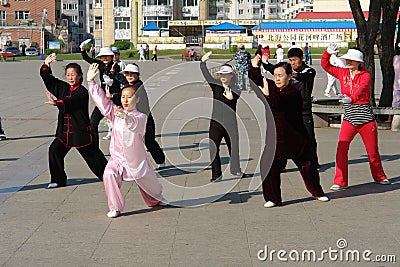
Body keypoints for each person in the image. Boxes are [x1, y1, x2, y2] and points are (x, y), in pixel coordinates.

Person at [86, 63, 166, 218]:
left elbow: (136, 126)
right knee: (109, 173)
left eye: (129, 97)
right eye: (123, 97)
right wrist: (92, 83)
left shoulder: (141, 117)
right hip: (118, 159)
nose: (125, 100)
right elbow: (103, 103)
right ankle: (115, 207)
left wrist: (128, 118)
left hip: (137, 161)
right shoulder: (116, 114)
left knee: (152, 187)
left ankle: (157, 199)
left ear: (137, 99)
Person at [249, 55, 329, 207]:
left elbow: (277, 103)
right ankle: (273, 198)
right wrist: (254, 66)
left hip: (296, 139)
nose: (277, 78)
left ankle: (317, 192)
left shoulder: (294, 92)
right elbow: (256, 80)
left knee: (307, 167)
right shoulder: (272, 87)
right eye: (275, 75)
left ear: (289, 76)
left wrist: (266, 93)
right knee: (268, 167)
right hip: (275, 140)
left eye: (280, 75)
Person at [321, 44, 390, 190]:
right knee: (341, 148)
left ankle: (380, 176)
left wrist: (351, 99)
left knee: (372, 152)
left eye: (352, 60)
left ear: (359, 62)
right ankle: (340, 181)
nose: (348, 62)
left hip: (365, 119)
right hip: (349, 118)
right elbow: (325, 66)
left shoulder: (365, 75)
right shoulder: (342, 73)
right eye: (347, 59)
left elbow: (361, 90)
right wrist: (327, 53)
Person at [39, 54, 108, 189]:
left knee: (93, 156)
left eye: (73, 74)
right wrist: (47, 65)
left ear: (80, 76)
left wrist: (57, 102)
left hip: (79, 132)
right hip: (64, 132)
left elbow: (71, 102)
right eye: (68, 75)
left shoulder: (82, 92)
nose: (70, 77)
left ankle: (109, 175)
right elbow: (50, 81)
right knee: (54, 151)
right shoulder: (64, 88)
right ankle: (58, 180)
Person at [263, 48, 320, 169]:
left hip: (304, 111)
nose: (292, 63)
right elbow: (274, 70)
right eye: (290, 60)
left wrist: (294, 74)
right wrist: (265, 63)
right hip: (288, 109)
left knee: (309, 137)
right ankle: (281, 164)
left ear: (301, 59)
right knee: (284, 136)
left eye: (294, 60)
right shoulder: (288, 70)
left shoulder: (309, 71)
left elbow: (305, 78)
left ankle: (314, 163)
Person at [200, 51, 243, 182]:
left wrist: (232, 98)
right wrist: (203, 62)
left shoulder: (236, 88)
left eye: (226, 74)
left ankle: (235, 170)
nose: (224, 77)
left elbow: (236, 96)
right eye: (221, 74)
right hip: (216, 124)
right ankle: (216, 175)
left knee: (234, 148)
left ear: (231, 75)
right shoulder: (215, 86)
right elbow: (206, 75)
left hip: (230, 124)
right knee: (213, 148)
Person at [120, 64, 166, 169]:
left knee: (149, 141)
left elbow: (129, 97)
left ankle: (160, 160)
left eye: (132, 74)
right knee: (136, 142)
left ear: (138, 75)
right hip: (134, 119)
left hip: (144, 119)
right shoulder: (129, 86)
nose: (129, 76)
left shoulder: (137, 86)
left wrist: (114, 96)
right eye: (127, 74)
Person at [80, 39, 122, 145]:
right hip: (103, 98)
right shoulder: (100, 64)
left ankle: (127, 146)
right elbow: (87, 59)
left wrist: (113, 74)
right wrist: (82, 49)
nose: (105, 58)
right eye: (103, 56)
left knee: (121, 124)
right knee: (93, 122)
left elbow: (117, 79)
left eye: (107, 56)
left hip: (115, 98)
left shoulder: (115, 66)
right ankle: (94, 147)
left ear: (112, 57)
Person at [392, 43, 400, 108]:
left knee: (396, 102)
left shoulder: (395, 58)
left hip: (397, 85)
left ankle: (395, 116)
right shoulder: (396, 58)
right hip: (397, 85)